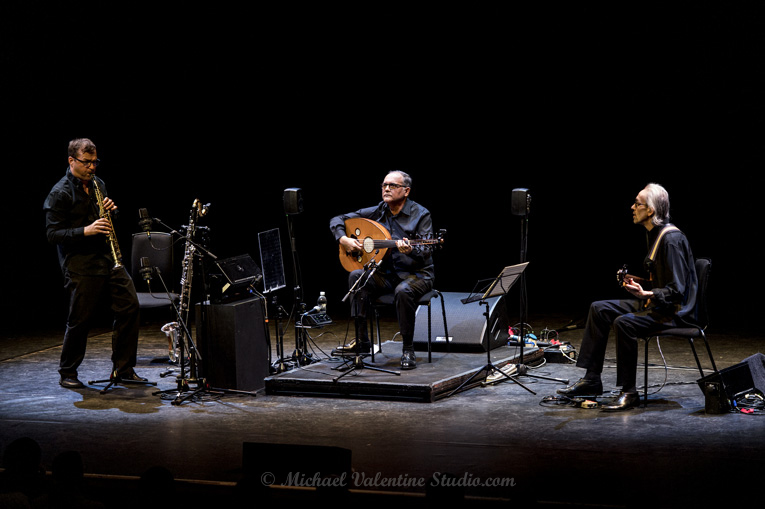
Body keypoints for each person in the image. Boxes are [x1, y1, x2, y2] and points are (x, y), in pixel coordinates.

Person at [557, 183, 697, 411]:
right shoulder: (656, 235)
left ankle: (628, 392)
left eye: (637, 203)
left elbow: (678, 291)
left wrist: (648, 293)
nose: (632, 207)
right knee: (599, 308)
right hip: (659, 304)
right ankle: (591, 379)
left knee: (625, 323)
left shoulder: (671, 240)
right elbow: (664, 283)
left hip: (677, 312)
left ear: (650, 210)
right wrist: (640, 285)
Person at [44, 138, 146, 389]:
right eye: (86, 162)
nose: (92, 167)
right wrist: (85, 231)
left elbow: (107, 221)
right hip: (80, 264)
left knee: (130, 307)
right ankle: (67, 371)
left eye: (95, 162)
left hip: (108, 259)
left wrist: (113, 211)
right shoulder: (60, 193)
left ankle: (123, 368)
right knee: (80, 319)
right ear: (72, 161)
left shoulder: (99, 184)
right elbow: (52, 234)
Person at [329, 170, 435, 370]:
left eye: (392, 186)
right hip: (386, 275)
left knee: (403, 290)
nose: (386, 189)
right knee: (356, 276)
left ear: (406, 191)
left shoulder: (421, 214)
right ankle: (362, 342)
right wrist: (343, 239)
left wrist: (411, 249)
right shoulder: (378, 210)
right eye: (384, 185)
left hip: (417, 275)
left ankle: (408, 349)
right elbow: (337, 219)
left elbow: (427, 250)